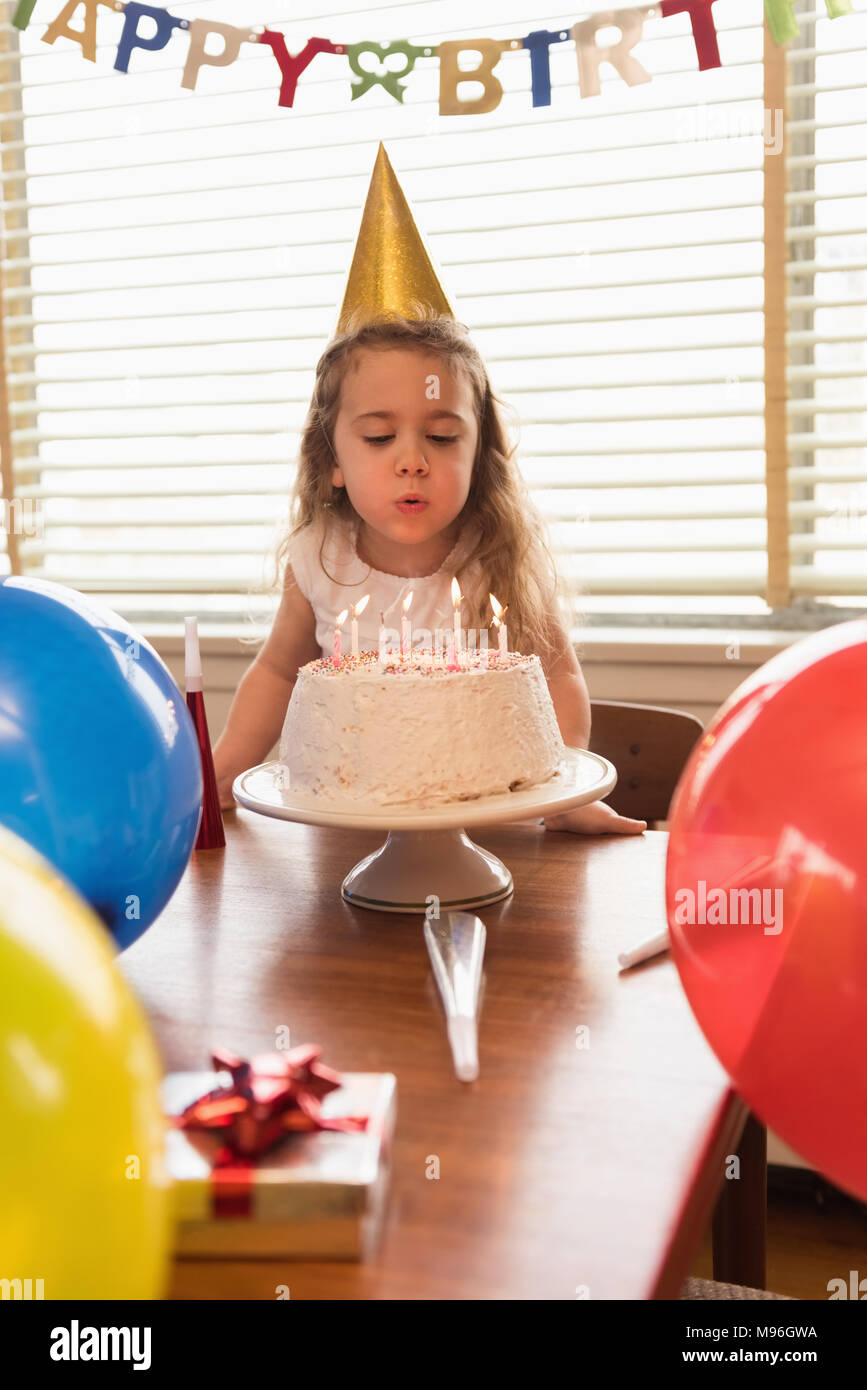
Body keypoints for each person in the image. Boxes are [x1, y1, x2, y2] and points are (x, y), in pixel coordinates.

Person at [213, 306, 646, 837]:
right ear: (333, 462)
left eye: (441, 438)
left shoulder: (498, 557)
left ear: (478, 455)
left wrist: (559, 786)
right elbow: (280, 672)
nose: (413, 461)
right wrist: (225, 769)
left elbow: (556, 674)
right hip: (351, 833)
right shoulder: (318, 558)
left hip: (489, 827)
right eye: (378, 438)